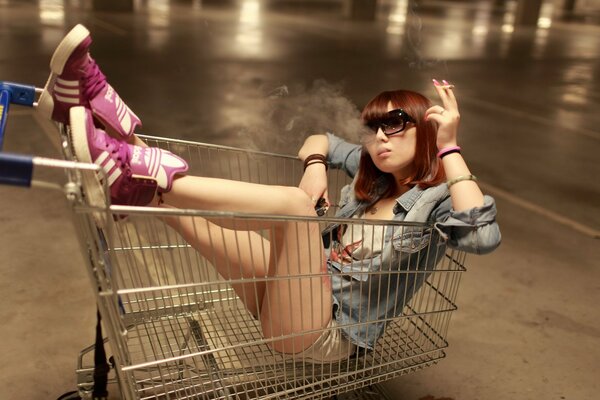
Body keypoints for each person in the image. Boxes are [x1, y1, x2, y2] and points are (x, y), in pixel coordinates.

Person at [39, 25, 501, 362]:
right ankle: (90, 116)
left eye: (396, 124)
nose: (380, 137)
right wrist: (317, 166)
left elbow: (481, 236)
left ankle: (135, 169)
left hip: (324, 331)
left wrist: (449, 147)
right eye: (374, 127)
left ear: (425, 132)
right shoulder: (372, 177)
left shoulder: (438, 197)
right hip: (291, 292)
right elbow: (319, 138)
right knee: (176, 208)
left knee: (294, 208)